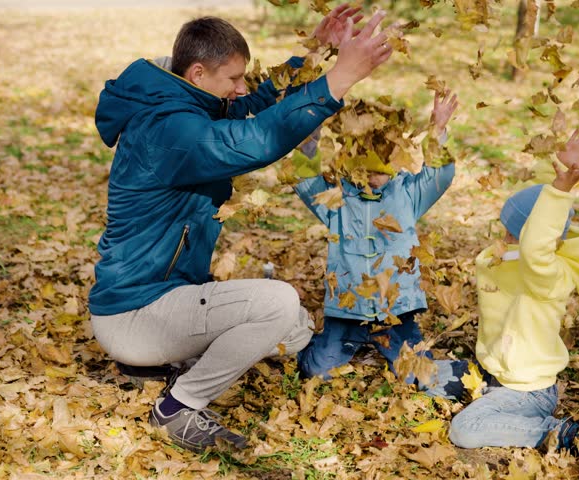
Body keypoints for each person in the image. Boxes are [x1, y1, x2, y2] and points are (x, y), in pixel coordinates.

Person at [89, 5, 393, 453]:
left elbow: (247, 107)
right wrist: (339, 79)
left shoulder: (177, 99)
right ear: (197, 72)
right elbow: (252, 141)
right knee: (278, 302)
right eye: (233, 77)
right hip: (136, 317)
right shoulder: (170, 131)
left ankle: (165, 361)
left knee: (292, 328)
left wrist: (315, 55)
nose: (241, 86)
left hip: (153, 304)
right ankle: (179, 405)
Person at [429, 130, 579, 453]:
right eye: (504, 231)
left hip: (528, 392)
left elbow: (536, 247)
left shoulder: (546, 274)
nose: (502, 239)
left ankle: (555, 431)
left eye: (510, 234)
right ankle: (487, 400)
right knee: (420, 373)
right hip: (493, 376)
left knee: (464, 430)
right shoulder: (508, 262)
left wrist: (560, 191)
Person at [293, 90, 458, 380]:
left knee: (418, 376)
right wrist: (310, 140)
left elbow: (439, 176)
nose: (372, 179)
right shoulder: (337, 198)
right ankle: (315, 341)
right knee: (317, 371)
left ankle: (384, 349)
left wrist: (438, 131)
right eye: (364, 171)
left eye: (379, 172)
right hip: (348, 306)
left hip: (394, 310)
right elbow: (306, 182)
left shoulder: (407, 194)